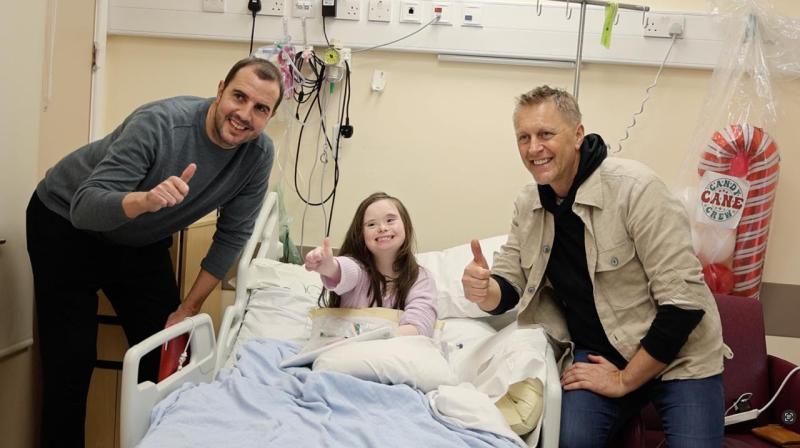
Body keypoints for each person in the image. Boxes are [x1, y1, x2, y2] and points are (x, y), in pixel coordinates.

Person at [26, 56, 284, 448]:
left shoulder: (258, 156)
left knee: (169, 354)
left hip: (139, 242)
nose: (244, 114)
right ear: (219, 91)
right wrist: (144, 201)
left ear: (270, 116)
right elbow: (86, 206)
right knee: (71, 362)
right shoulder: (161, 124)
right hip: (66, 225)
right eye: (239, 97)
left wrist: (189, 308)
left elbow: (232, 236)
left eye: (260, 108)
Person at [461, 86, 725, 446]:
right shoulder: (528, 204)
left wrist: (625, 380)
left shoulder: (636, 189)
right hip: (600, 354)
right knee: (570, 440)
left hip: (680, 355)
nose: (533, 148)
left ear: (578, 135)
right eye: (523, 137)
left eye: (546, 134)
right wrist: (484, 291)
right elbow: (510, 285)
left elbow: (683, 304)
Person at [304, 192, 437, 337]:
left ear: (406, 224)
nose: (382, 228)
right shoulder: (359, 271)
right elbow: (344, 270)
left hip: (394, 354)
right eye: (371, 224)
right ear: (361, 235)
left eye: (390, 220)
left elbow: (420, 325)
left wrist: (371, 340)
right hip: (346, 354)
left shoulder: (420, 278)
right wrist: (329, 266)